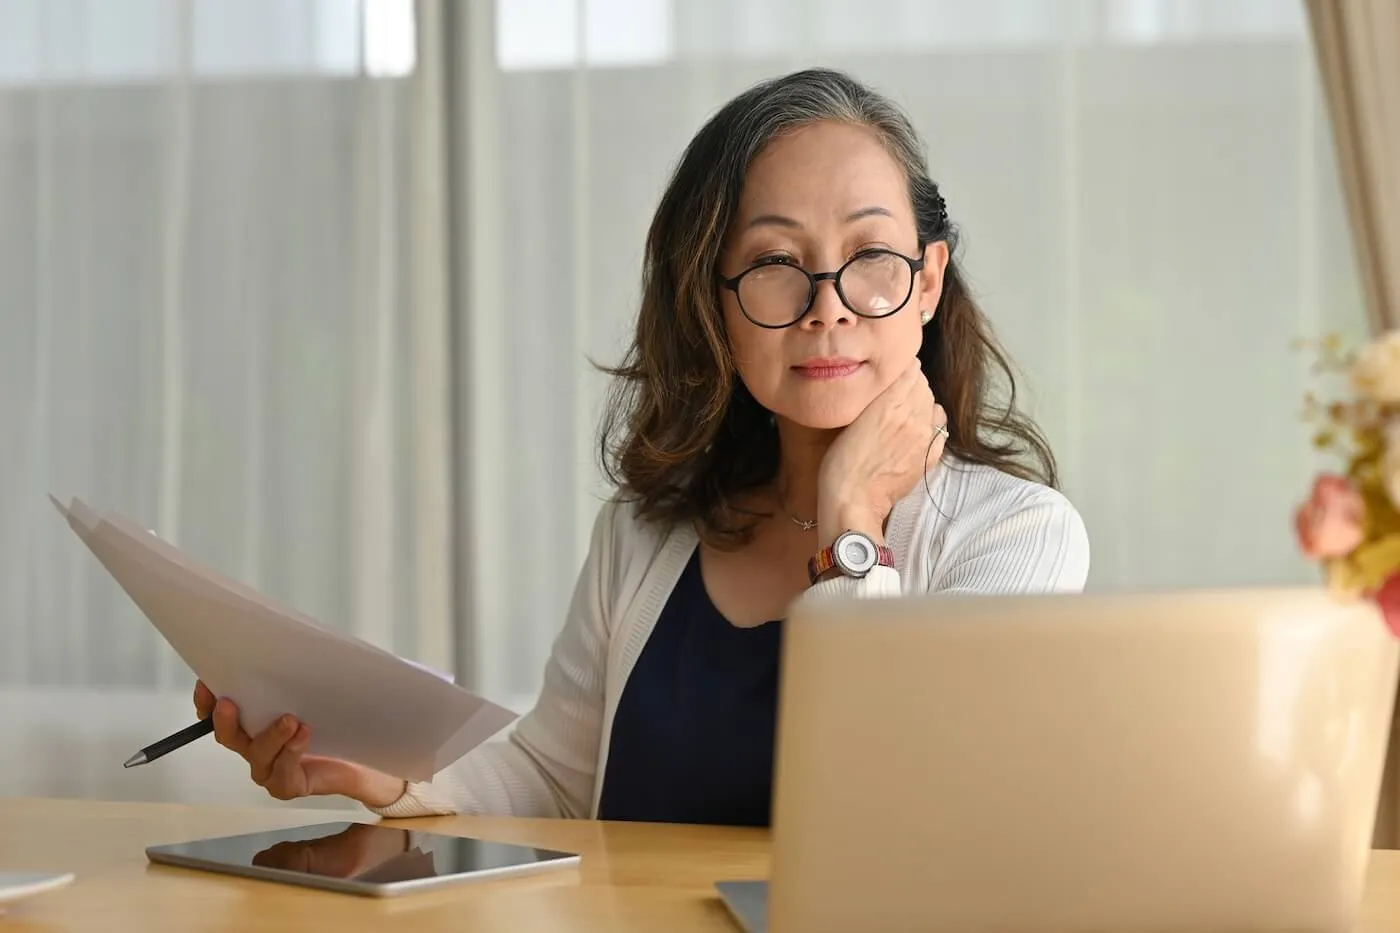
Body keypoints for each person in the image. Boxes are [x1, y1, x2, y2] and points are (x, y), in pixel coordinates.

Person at [193, 67, 1090, 826]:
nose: (829, 305)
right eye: (777, 262)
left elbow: (904, 816)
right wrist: (385, 775)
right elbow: (554, 780)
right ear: (716, 300)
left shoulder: (1017, 539)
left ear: (927, 282)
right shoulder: (646, 532)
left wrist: (852, 524)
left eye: (871, 256)